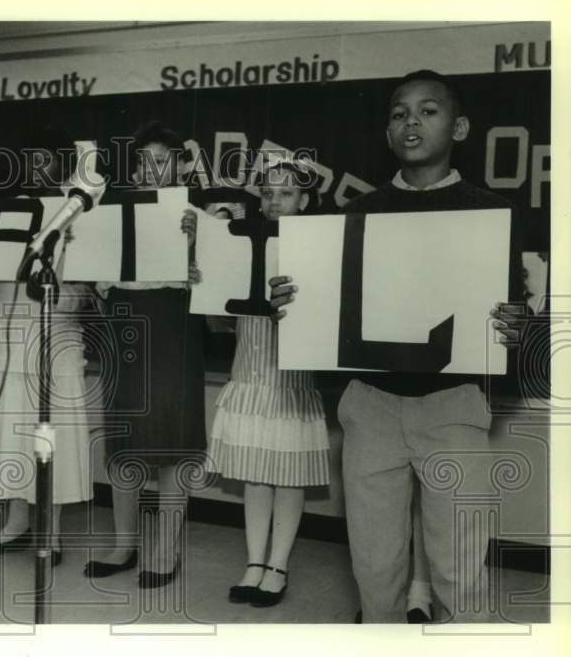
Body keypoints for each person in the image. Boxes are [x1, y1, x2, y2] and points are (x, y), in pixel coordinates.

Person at [270, 70, 525, 623]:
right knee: (375, 568)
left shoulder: (492, 213)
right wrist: (294, 300)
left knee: (459, 569)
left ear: (458, 127)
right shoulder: (355, 215)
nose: (411, 121)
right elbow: (327, 314)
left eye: (427, 110)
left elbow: (511, 313)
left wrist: (516, 323)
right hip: (371, 408)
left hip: (455, 405)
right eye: (398, 112)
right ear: (387, 133)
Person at [0, 128, 95, 566]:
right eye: (31, 160)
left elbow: (86, 292)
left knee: (48, 437)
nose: (37, 168)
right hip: (10, 337)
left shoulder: (78, 216)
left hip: (56, 343)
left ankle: (51, 533)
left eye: (45, 160)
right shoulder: (6, 213)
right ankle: (15, 524)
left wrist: (60, 292)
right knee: (12, 436)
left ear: (60, 165)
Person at [206, 159, 330, 607]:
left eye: (286, 194)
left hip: (290, 378)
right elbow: (222, 321)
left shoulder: (319, 248)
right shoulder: (242, 246)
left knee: (287, 473)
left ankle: (279, 564)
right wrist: (208, 285)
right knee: (255, 474)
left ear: (305, 201)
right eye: (268, 194)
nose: (275, 202)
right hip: (249, 373)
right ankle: (254, 562)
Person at [85, 120, 203, 588]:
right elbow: (95, 277)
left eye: (161, 160)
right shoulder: (111, 209)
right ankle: (124, 543)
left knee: (173, 441)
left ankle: (167, 548)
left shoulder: (197, 214)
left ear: (178, 165)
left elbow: (216, 287)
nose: (150, 169)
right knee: (123, 436)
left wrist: (197, 247)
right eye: (143, 160)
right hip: (125, 324)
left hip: (174, 329)